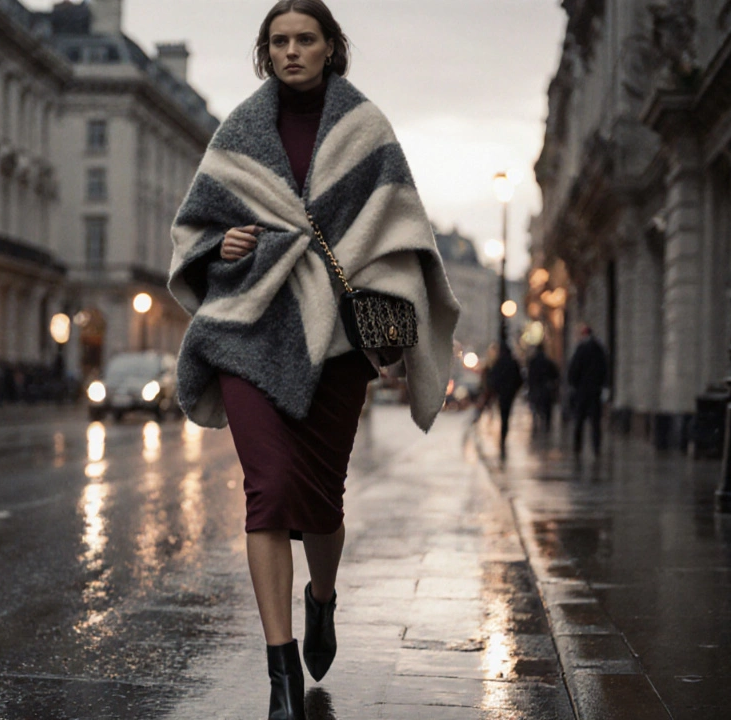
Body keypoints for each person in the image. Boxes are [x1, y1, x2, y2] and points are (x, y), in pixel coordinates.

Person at [167, 3, 460, 717]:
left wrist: (385, 306)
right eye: (279, 42)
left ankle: (321, 599)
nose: (292, 51)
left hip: (336, 345)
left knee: (322, 501)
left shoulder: (367, 130)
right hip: (248, 329)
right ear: (265, 53)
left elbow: (399, 227)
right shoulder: (239, 129)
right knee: (266, 491)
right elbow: (195, 229)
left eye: (305, 39)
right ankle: (281, 675)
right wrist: (222, 245)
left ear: (332, 47)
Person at [567, 325, 609, 457]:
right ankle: (596, 447)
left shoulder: (581, 349)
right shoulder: (599, 349)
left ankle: (577, 447)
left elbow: (574, 369)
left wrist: (573, 384)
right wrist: (604, 385)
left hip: (582, 390)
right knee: (595, 422)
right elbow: (605, 369)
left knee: (579, 420)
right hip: (595, 390)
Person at [487, 343, 523, 458]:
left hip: (502, 393)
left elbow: (493, 378)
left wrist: (495, 390)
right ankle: (504, 433)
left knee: (503, 413)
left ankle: (503, 435)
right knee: (506, 415)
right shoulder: (513, 363)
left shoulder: (498, 363)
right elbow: (520, 379)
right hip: (509, 393)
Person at [526, 344, 560, 436]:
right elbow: (556, 374)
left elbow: (529, 377)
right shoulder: (548, 362)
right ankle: (546, 427)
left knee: (535, 409)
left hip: (535, 389)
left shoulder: (532, 362)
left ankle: (536, 425)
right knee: (547, 409)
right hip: (545, 389)